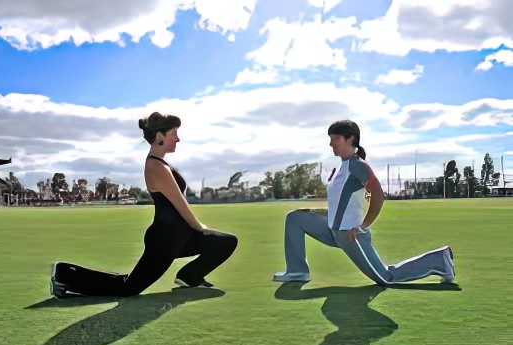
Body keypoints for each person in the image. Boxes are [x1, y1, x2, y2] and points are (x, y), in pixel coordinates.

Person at [50, 112, 238, 298]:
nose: (178, 139)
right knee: (128, 288)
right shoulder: (156, 167)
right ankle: (65, 274)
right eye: (174, 134)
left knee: (226, 242)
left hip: (181, 236)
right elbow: (180, 204)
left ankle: (189, 276)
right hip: (165, 240)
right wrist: (200, 227)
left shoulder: (162, 165)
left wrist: (198, 230)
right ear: (160, 136)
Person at [273, 120, 456, 286]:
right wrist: (314, 211)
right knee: (295, 218)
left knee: (386, 278)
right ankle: (297, 271)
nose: (331, 144)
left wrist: (362, 227)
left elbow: (378, 196)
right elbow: (338, 205)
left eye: (335, 139)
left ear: (350, 139)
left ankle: (440, 260)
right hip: (332, 230)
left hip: (350, 235)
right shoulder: (341, 168)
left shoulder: (358, 165)